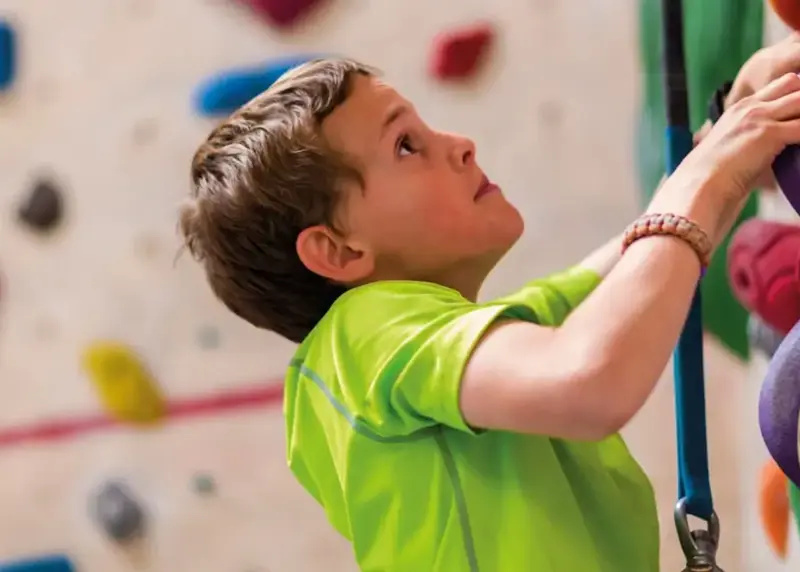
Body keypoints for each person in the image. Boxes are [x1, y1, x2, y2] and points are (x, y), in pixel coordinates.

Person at [178, 35, 800, 571]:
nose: (461, 144)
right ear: (338, 252)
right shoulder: (361, 336)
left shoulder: (436, 346)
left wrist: (735, 123)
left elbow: (629, 273)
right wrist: (711, 174)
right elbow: (589, 378)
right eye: (406, 146)